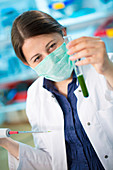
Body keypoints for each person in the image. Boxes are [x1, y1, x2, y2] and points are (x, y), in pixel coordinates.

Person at [0, 10, 113, 170]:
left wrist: (108, 69)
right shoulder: (35, 95)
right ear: (27, 64)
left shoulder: (106, 64)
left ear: (63, 33)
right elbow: (52, 161)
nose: (50, 59)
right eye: (37, 58)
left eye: (52, 46)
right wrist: (5, 142)